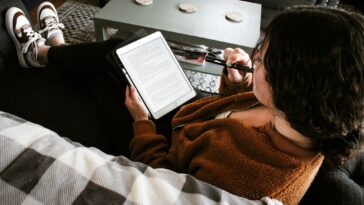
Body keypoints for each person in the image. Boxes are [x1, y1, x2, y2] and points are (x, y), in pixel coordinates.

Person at [5, 2, 364, 205]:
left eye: (262, 60)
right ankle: (56, 49)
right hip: (184, 120)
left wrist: (141, 123)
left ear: (291, 89)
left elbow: (167, 181)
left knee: (107, 76)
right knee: (129, 49)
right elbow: (225, 119)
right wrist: (233, 86)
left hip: (156, 147)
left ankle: (41, 53)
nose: (255, 60)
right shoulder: (298, 114)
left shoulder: (250, 182)